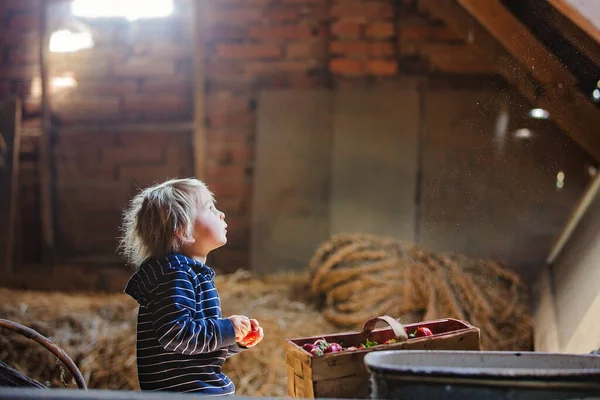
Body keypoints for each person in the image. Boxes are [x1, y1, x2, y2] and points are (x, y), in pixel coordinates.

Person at [119, 178, 264, 395]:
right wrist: (227, 329)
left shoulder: (189, 274)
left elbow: (196, 349)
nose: (221, 214)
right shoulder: (175, 274)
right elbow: (175, 334)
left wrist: (236, 339)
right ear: (181, 228)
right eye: (210, 208)